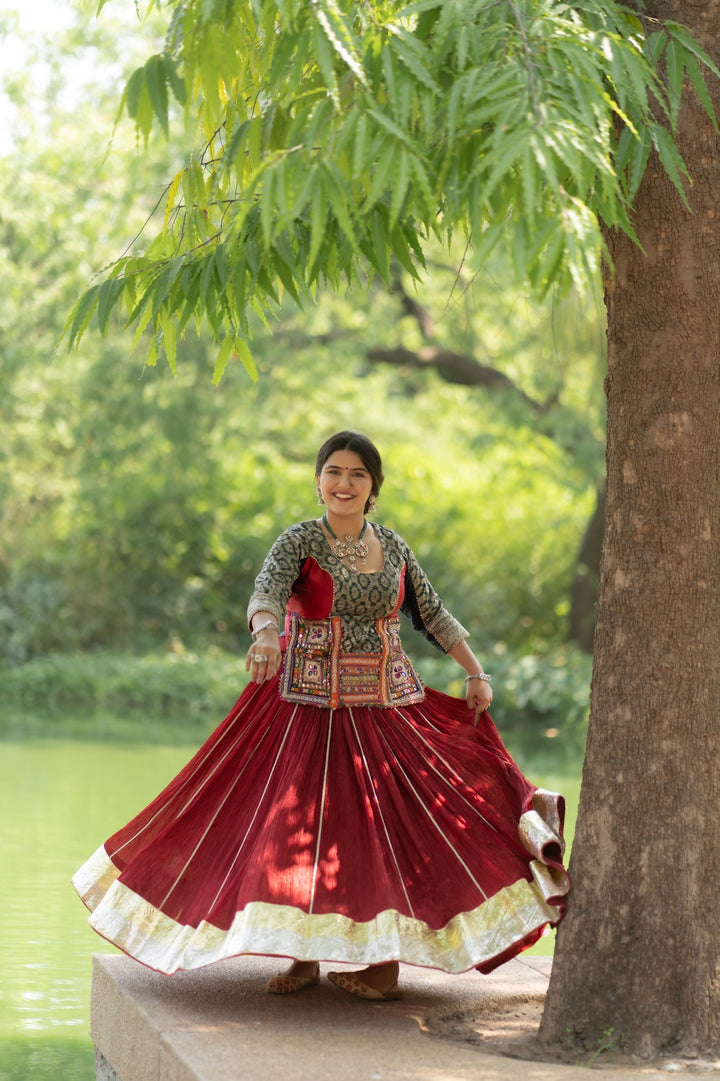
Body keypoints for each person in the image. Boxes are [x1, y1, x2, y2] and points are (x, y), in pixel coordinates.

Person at [73, 430, 568, 1001]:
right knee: (295, 831)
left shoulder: (395, 548)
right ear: (318, 481)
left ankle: (382, 967)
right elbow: (266, 593)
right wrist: (264, 636)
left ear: (373, 488)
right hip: (304, 707)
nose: (344, 483)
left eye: (358, 474)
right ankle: (303, 956)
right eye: (334, 471)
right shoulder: (300, 541)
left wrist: (476, 672)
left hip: (388, 709)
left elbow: (433, 614)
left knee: (385, 833)